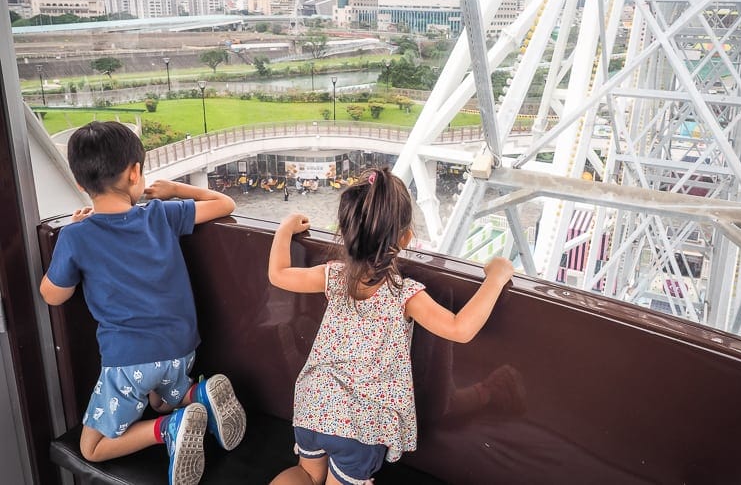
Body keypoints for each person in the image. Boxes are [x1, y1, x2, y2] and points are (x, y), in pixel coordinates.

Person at [268, 167, 514, 485]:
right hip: (359, 426)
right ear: (405, 238)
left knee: (305, 473)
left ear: (345, 232)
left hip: (314, 404)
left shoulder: (333, 275)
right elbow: (460, 328)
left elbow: (278, 274)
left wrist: (285, 229)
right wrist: (497, 276)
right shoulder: (405, 294)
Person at [39, 121, 247, 485]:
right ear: (135, 172)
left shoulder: (75, 237)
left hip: (129, 362)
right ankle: (194, 394)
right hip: (181, 350)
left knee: (93, 446)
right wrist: (173, 189)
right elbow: (225, 203)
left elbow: (52, 295)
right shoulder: (160, 214)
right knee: (159, 397)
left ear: (79, 184)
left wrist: (71, 235)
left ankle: (169, 428)